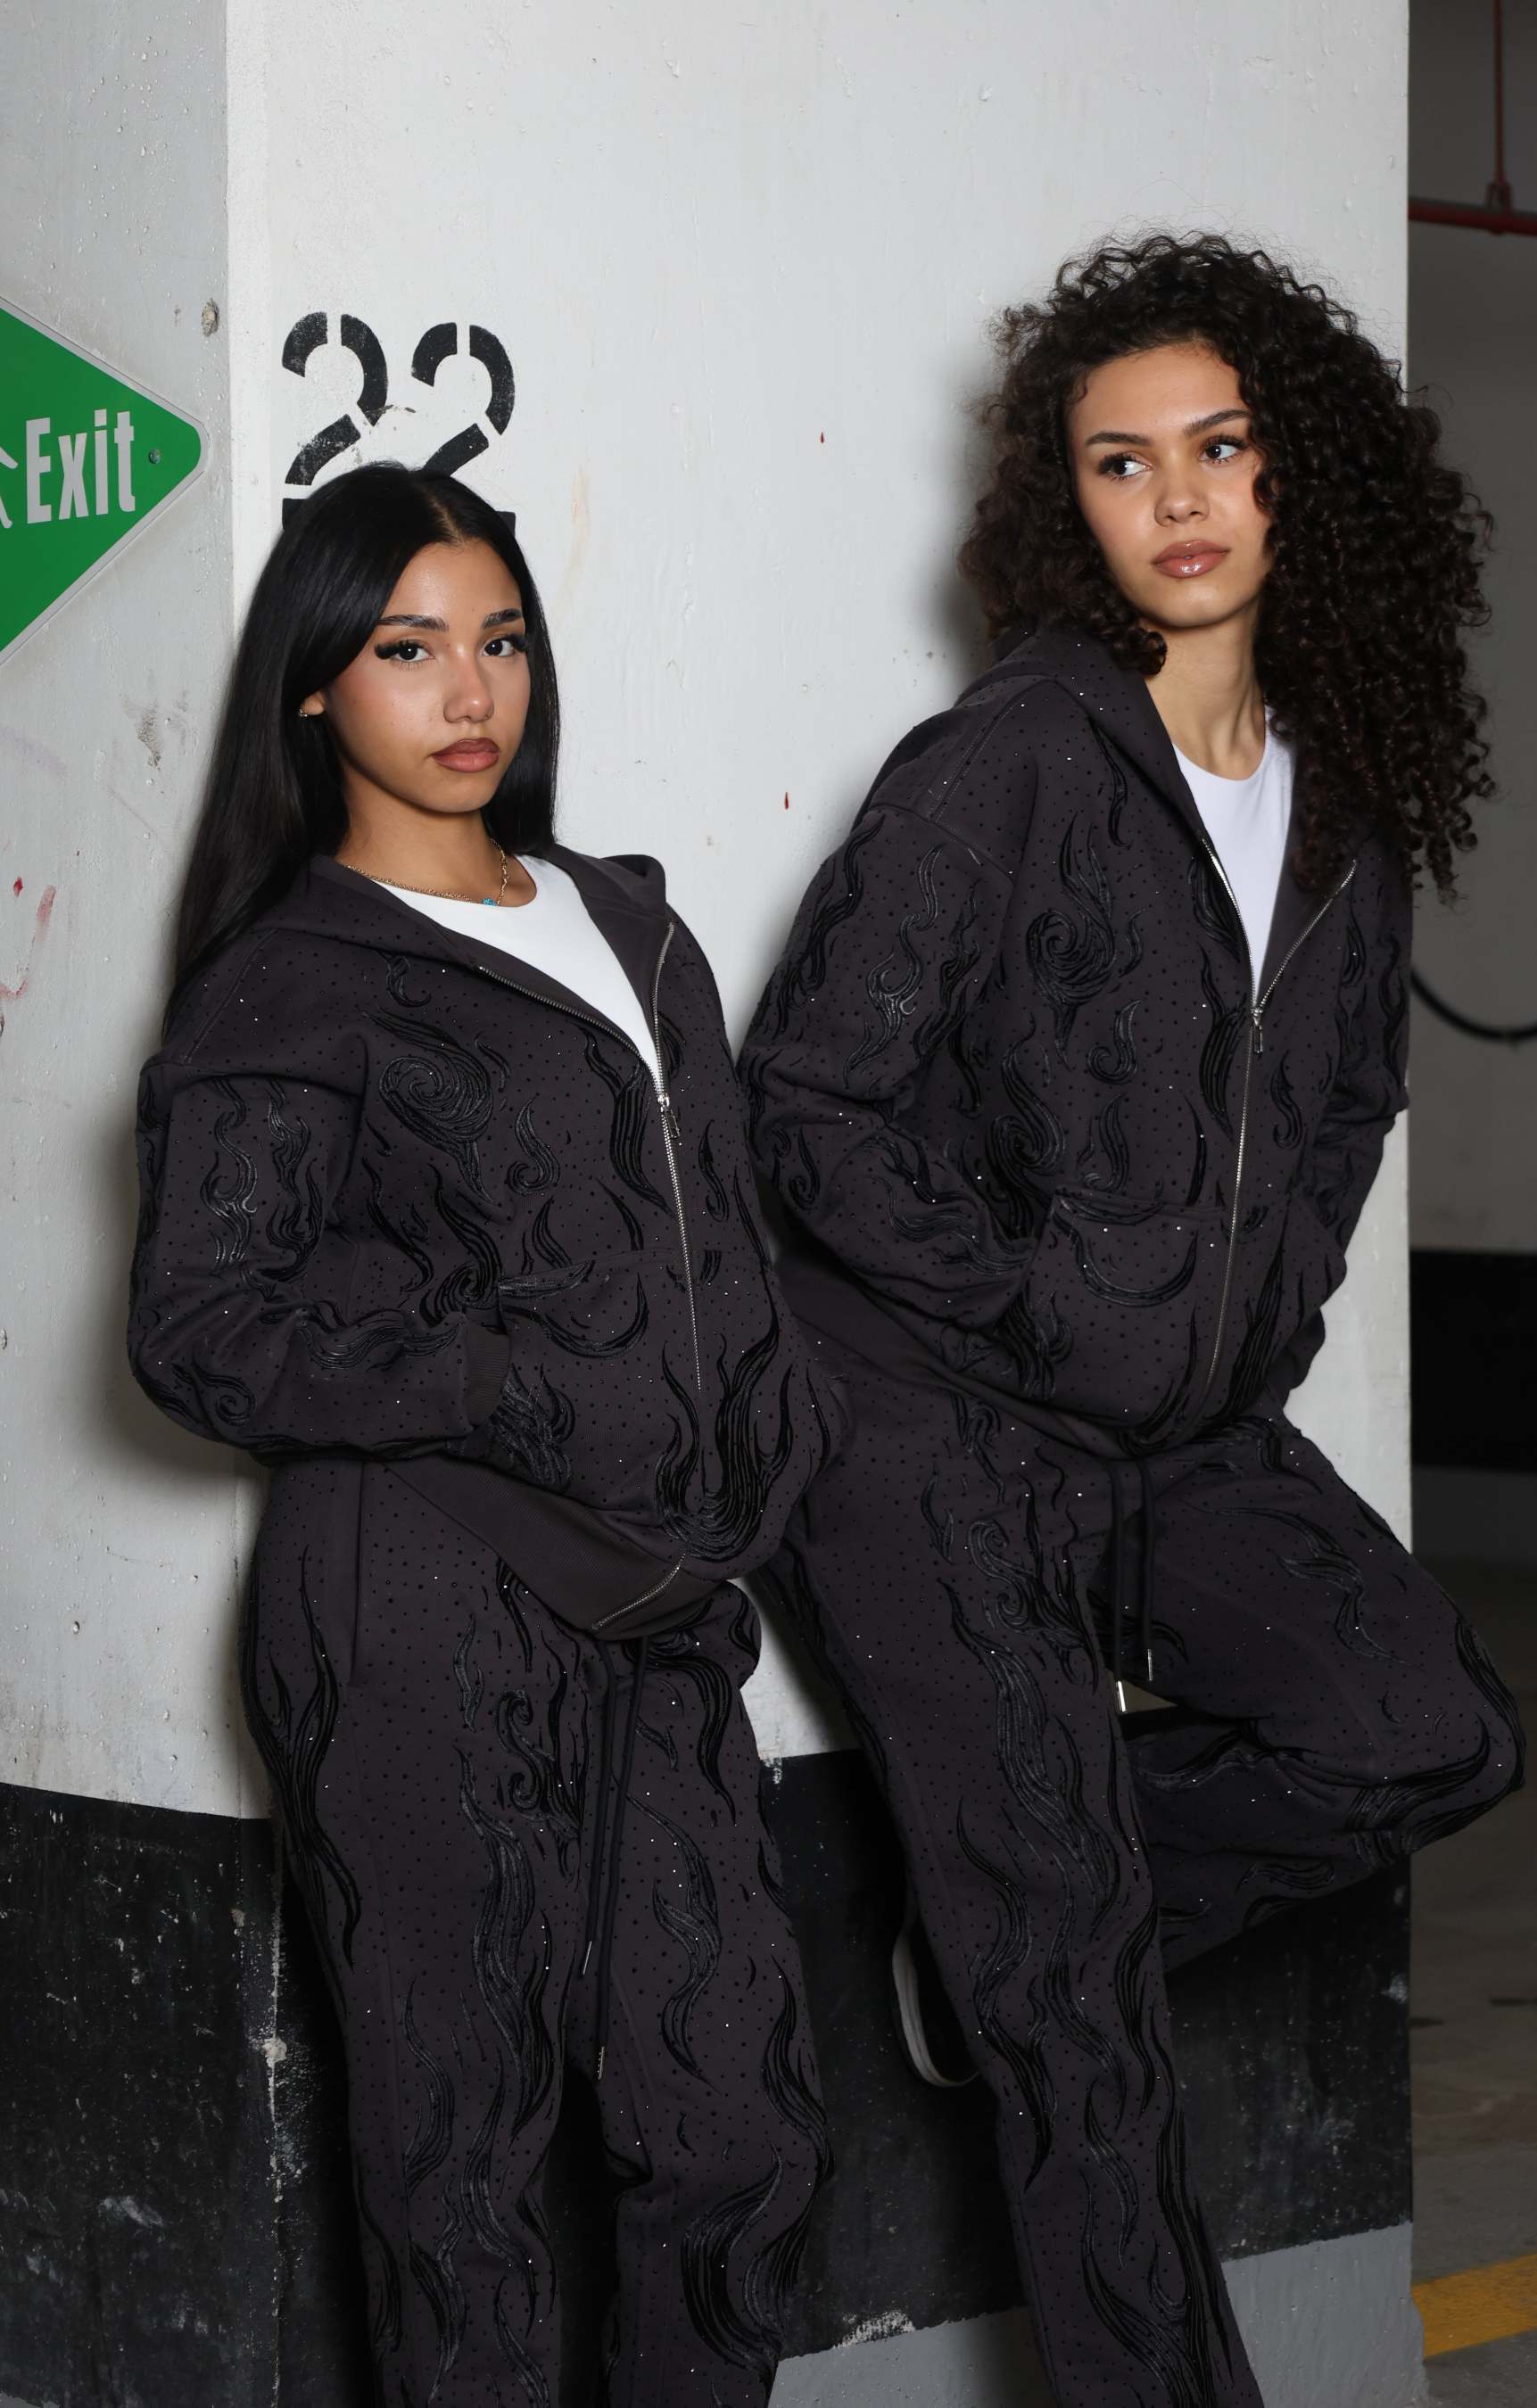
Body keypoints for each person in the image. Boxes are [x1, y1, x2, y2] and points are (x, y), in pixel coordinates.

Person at [739, 233, 1525, 2407]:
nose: (1176, 498)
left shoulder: (1342, 807)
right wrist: (1037, 1304)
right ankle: (1035, 1946)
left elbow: (1343, 1108)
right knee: (1079, 2030)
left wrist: (1251, 1330)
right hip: (920, 1422)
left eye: (1220, 446)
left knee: (1428, 1728)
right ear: (1062, 503)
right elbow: (803, 1104)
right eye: (1119, 461)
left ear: (1299, 478)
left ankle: (1003, 1917)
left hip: (1169, 1415)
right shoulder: (1009, 762)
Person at [128, 464, 839, 2407]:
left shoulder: (633, 926)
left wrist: (766, 1442)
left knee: (740, 2141)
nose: (470, 692)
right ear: (314, 685)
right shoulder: (293, 977)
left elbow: (722, 1234)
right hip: (419, 1607)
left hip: (658, 1608)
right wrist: (498, 1373)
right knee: (466, 2183)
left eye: (501, 641)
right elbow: (201, 1331)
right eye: (407, 648)